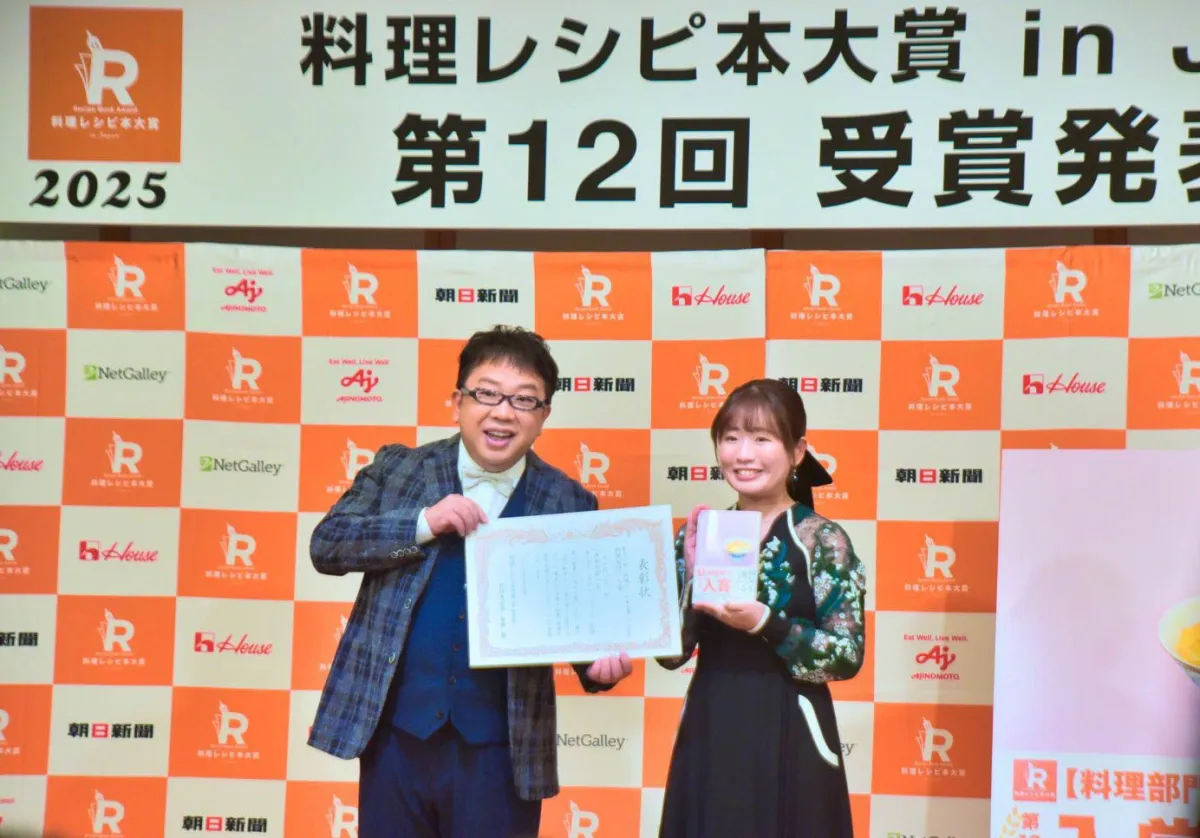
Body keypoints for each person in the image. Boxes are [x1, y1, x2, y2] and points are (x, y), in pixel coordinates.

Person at [307, 325, 634, 838]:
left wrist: (599, 668)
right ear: (458, 401)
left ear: (544, 415)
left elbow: (582, 629)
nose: (503, 412)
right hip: (396, 741)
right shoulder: (399, 469)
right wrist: (422, 523)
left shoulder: (569, 503)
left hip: (502, 754)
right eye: (487, 394)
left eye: (524, 400)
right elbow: (328, 545)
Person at [656, 378, 866, 838]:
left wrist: (767, 624)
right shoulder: (700, 532)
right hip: (712, 721)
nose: (743, 454)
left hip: (792, 725)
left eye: (761, 439)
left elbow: (846, 656)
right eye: (731, 438)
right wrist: (688, 579)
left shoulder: (822, 540)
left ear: (797, 451)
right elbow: (670, 655)